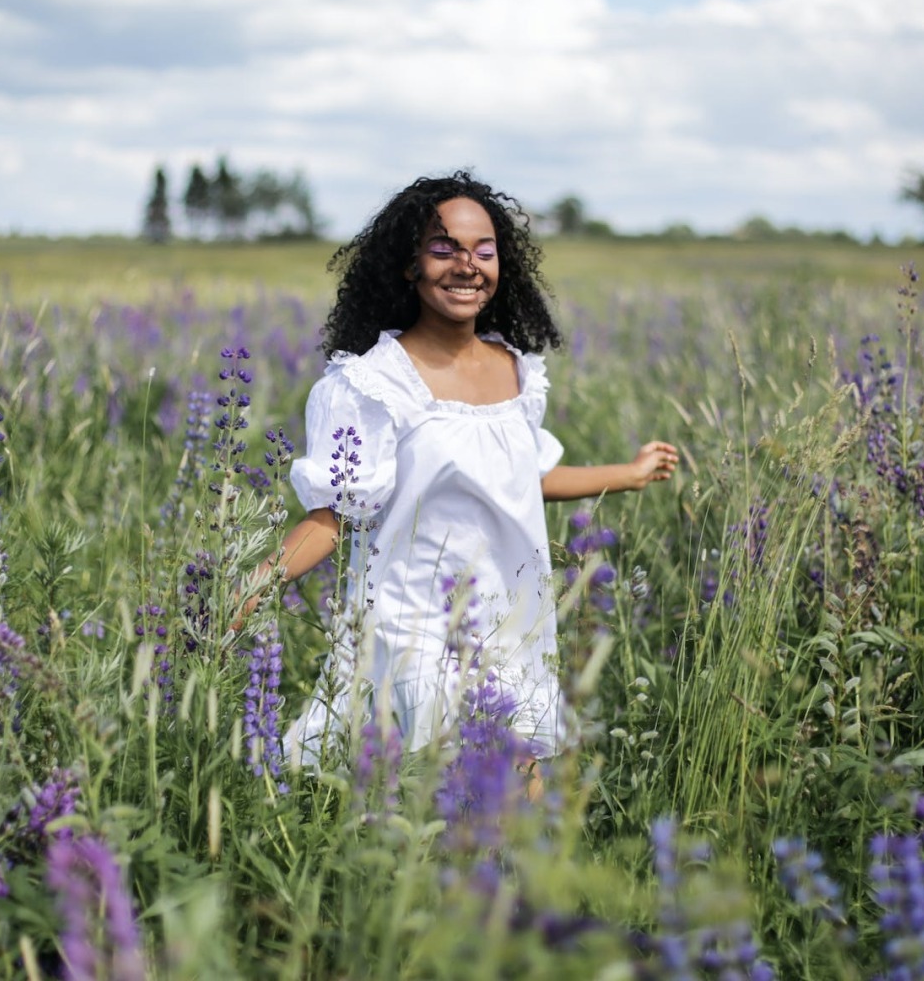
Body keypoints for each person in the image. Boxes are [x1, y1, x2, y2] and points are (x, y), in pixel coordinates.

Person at [247, 171, 677, 768]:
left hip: (509, 619)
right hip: (411, 625)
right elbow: (334, 516)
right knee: (443, 790)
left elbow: (526, 478)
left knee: (513, 801)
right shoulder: (372, 383)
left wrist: (629, 474)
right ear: (410, 266)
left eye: (483, 250)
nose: (467, 266)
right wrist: (251, 587)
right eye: (444, 248)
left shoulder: (517, 370)